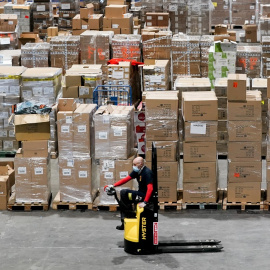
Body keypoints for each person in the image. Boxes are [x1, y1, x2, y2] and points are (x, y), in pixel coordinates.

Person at [104, 156, 153, 230]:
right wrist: (113, 185)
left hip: (144, 195)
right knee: (124, 195)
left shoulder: (147, 172)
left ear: (140, 164)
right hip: (140, 193)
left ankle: (128, 216)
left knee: (124, 193)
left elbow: (150, 188)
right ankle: (126, 219)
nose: (133, 166)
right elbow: (126, 179)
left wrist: (145, 202)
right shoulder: (137, 171)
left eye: (134, 164)